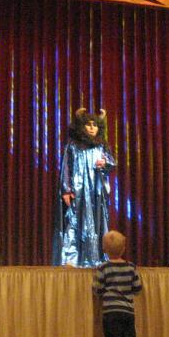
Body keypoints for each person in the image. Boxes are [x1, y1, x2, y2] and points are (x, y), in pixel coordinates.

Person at [52, 108, 116, 267]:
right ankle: (73, 259)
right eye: (89, 125)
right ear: (82, 127)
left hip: (96, 192)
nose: (92, 128)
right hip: (78, 192)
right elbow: (66, 167)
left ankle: (97, 258)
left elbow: (112, 163)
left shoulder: (101, 146)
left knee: (96, 222)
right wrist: (66, 189)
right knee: (75, 222)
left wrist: (105, 163)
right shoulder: (73, 146)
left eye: (95, 125)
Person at [93, 230, 142, 337]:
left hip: (111, 313)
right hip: (128, 312)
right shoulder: (131, 267)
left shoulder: (103, 268)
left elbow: (97, 290)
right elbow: (137, 289)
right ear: (123, 249)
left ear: (104, 249)